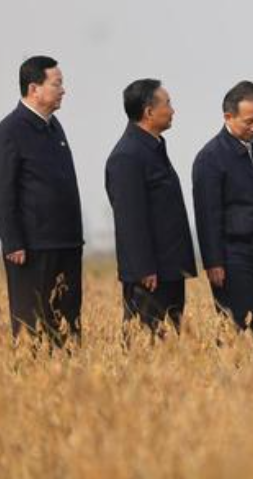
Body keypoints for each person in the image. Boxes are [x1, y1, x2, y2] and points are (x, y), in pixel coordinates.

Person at [0, 55, 83, 347]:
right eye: (57, 84)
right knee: (35, 327)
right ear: (34, 89)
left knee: (67, 325)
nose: (63, 90)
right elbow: (2, 191)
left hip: (66, 243)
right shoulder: (9, 131)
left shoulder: (55, 127)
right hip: (33, 248)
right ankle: (33, 374)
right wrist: (12, 242)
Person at [192, 81, 253, 341]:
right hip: (232, 255)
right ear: (228, 117)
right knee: (237, 325)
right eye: (249, 121)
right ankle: (232, 367)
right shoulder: (210, 157)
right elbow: (207, 215)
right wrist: (213, 262)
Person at [105, 79, 197, 336]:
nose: (173, 110)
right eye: (167, 104)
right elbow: (130, 219)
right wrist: (143, 268)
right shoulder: (127, 156)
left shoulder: (153, 147)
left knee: (170, 345)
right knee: (145, 343)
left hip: (169, 268)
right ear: (148, 112)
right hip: (150, 275)